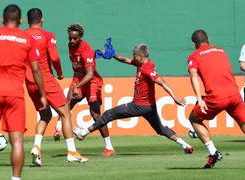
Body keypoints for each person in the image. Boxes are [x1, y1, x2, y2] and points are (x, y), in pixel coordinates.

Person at [73, 43, 194, 154]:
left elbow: (162, 82)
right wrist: (113, 55)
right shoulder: (141, 63)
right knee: (161, 129)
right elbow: (125, 60)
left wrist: (174, 97)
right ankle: (185, 145)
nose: (133, 58)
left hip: (139, 106)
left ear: (140, 56)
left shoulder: (147, 68)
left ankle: (83, 132)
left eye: (134, 56)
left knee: (108, 114)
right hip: (149, 107)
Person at [0, 4, 48, 180]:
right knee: (17, 141)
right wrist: (42, 94)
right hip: (15, 95)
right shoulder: (27, 39)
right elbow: (36, 70)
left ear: (2, 20)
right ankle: (15, 178)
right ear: (21, 21)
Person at [188, 29, 245, 169]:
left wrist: (199, 98)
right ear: (208, 39)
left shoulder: (194, 56)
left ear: (194, 43)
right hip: (234, 95)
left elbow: (194, 75)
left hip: (216, 97)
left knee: (194, 118)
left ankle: (213, 152)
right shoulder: (221, 50)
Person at [25, 8, 88, 166]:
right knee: (66, 113)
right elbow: (54, 57)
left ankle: (36, 146)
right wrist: (59, 73)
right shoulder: (48, 35)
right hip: (46, 79)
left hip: (30, 82)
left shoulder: (22, 37)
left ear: (27, 21)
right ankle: (72, 152)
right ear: (42, 20)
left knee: (45, 116)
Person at [62, 23, 115, 157]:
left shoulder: (86, 50)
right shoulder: (70, 46)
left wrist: (76, 87)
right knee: (66, 105)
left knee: (95, 114)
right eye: (70, 38)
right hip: (78, 79)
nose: (72, 41)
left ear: (81, 37)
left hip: (92, 81)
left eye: (75, 39)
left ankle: (109, 147)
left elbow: (90, 74)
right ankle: (61, 130)